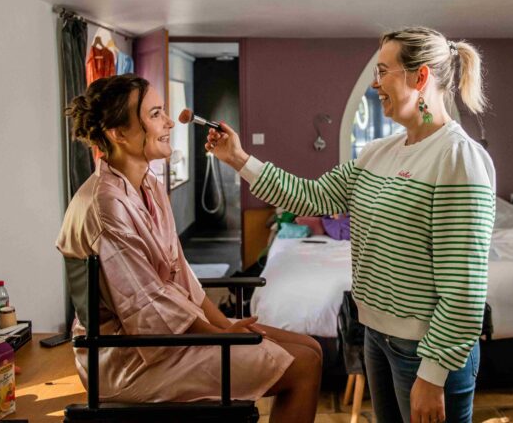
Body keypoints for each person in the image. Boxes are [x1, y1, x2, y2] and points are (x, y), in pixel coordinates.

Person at [207, 26, 496, 423]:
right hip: (376, 337)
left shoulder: (458, 158)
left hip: (425, 351)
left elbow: (464, 288)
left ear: (420, 77)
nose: (376, 84)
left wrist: (433, 374)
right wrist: (239, 159)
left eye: (384, 71)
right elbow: (312, 197)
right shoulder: (377, 152)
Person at [56, 74, 322, 423]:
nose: (169, 122)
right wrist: (218, 335)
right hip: (130, 358)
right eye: (155, 114)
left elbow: (180, 272)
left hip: (166, 333)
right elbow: (146, 307)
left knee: (312, 347)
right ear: (118, 133)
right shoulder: (106, 206)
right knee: (304, 366)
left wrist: (223, 326)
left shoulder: (150, 185)